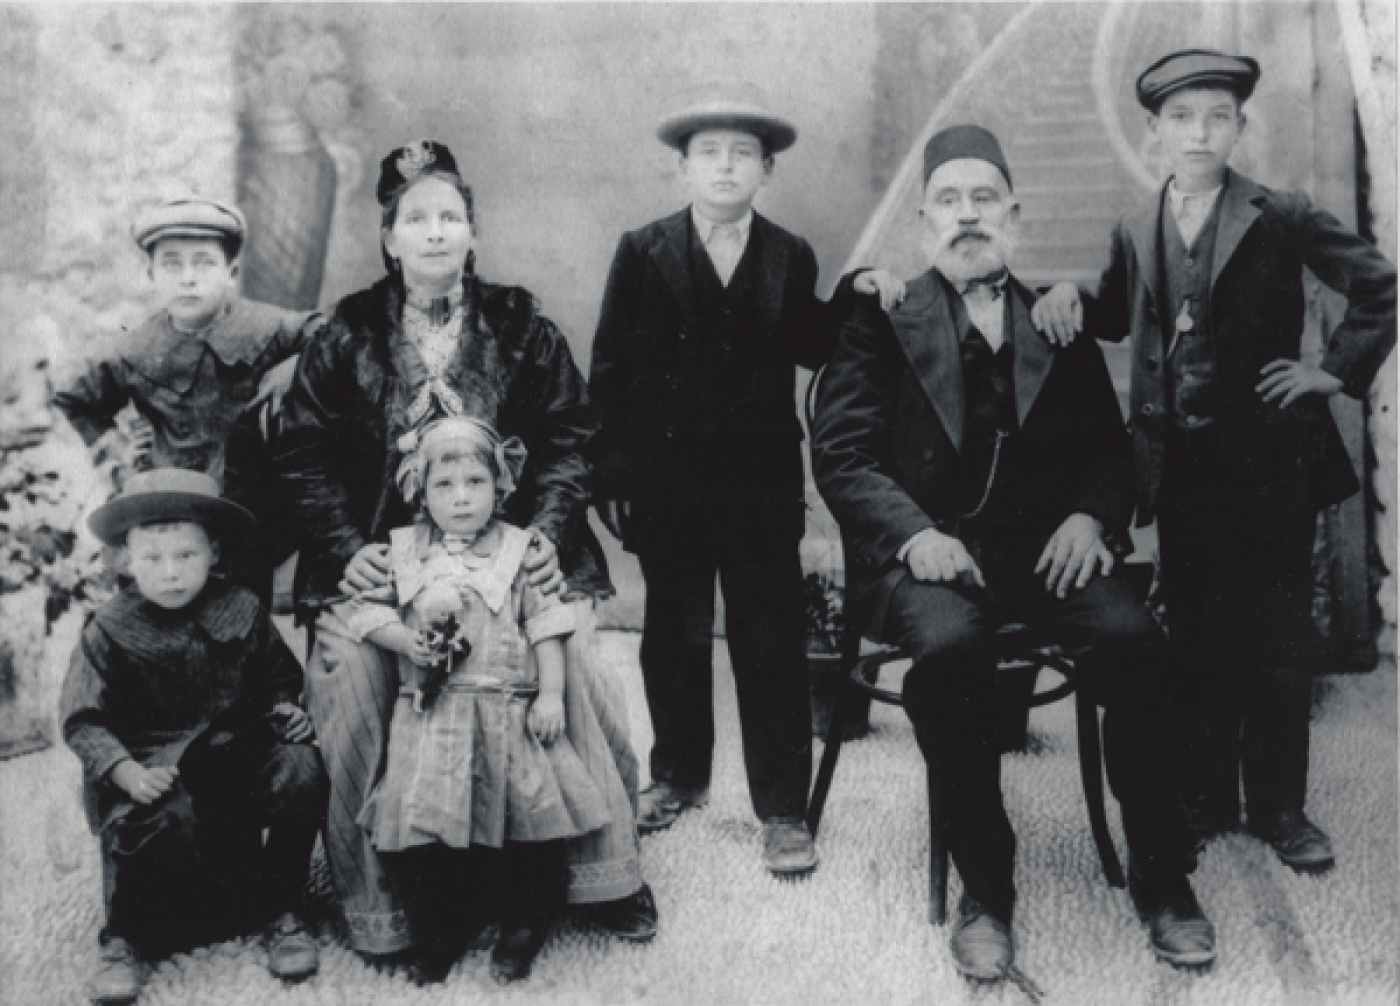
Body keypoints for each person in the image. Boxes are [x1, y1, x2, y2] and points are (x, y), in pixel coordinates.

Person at [812, 125, 1215, 985]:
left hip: (1040, 559)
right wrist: (915, 535)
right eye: (949, 203)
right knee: (951, 653)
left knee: (1137, 642)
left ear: (1014, 218)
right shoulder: (882, 319)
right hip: (920, 561)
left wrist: (1091, 517)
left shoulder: (1052, 320)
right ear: (924, 225)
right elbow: (841, 454)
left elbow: (1107, 451)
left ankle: (1162, 873)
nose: (967, 218)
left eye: (983, 200)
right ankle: (986, 888)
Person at [272, 139, 656, 966]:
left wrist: (543, 544)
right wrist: (349, 556)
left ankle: (599, 875)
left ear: (473, 233)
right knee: (353, 679)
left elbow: (571, 440)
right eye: (417, 219)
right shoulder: (344, 333)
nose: (435, 232)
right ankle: (389, 906)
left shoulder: (523, 326)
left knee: (576, 668)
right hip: (381, 561)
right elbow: (298, 456)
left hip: (513, 553)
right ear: (390, 239)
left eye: (451, 216)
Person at [1032, 51, 1397, 870]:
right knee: (1193, 633)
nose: (1200, 133)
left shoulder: (1281, 213)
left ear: (1240, 127)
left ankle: (1279, 807)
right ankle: (1201, 794)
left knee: (1275, 635)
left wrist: (1331, 371)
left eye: (1218, 118)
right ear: (1154, 131)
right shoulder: (1136, 224)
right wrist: (1063, 298)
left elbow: (1381, 285)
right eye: (1183, 119)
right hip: (1181, 468)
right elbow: (1114, 315)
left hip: (1271, 464)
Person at [588, 84, 904, 875]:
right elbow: (612, 370)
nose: (724, 167)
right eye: (708, 154)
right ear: (683, 169)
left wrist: (856, 294)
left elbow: (810, 340)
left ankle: (783, 808)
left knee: (770, 637)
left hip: (760, 483)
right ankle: (677, 776)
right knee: (673, 635)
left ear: (766, 169)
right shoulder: (642, 249)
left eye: (741, 155)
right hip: (667, 483)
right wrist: (616, 472)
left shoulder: (788, 254)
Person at [337, 416, 612, 984]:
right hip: (433, 715)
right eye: (444, 485)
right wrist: (403, 639)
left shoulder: (517, 550)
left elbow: (547, 624)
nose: (461, 498)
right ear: (419, 490)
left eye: (475, 483)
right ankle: (445, 924)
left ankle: (523, 922)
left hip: (507, 710)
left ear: (500, 485)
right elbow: (366, 613)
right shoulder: (404, 552)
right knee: (436, 828)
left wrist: (552, 694)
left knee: (522, 819)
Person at [60, 468, 327, 1005]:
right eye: (153, 560)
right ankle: (126, 938)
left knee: (301, 770)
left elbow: (278, 673)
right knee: (161, 819)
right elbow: (83, 719)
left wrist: (284, 707)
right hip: (146, 761)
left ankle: (280, 907)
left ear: (214, 553)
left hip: (234, 749)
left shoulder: (241, 609)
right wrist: (124, 771)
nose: (171, 574)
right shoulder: (108, 630)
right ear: (124, 561)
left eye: (187, 556)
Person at [52, 197, 314, 486]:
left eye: (203, 263)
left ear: (231, 273)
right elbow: (73, 400)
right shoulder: (137, 348)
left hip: (259, 499)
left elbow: (339, 334)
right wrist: (117, 450)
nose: (187, 279)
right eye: (171, 265)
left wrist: (294, 366)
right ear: (151, 275)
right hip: (171, 499)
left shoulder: (267, 327)